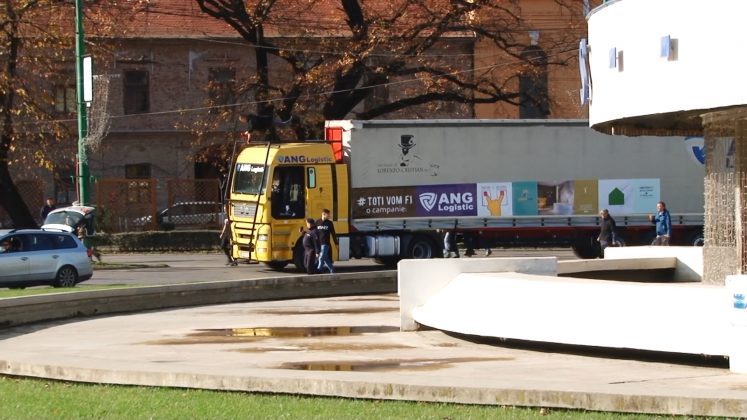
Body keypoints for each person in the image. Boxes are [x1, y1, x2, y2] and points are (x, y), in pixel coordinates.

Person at [316, 208, 337, 273]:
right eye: (328, 215)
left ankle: (318, 270)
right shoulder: (317, 222)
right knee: (325, 258)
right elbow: (314, 232)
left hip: (326, 243)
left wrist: (336, 243)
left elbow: (333, 233)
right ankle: (332, 269)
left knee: (321, 257)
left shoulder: (329, 223)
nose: (329, 216)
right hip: (319, 243)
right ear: (323, 214)